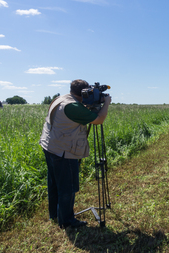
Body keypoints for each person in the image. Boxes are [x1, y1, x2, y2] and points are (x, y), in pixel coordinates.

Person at [39, 79, 111, 228]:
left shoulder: (61, 99)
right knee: (68, 187)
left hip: (50, 145)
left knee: (54, 183)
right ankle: (66, 221)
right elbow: (99, 120)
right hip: (64, 151)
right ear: (84, 93)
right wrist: (106, 103)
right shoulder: (72, 106)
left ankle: (55, 214)